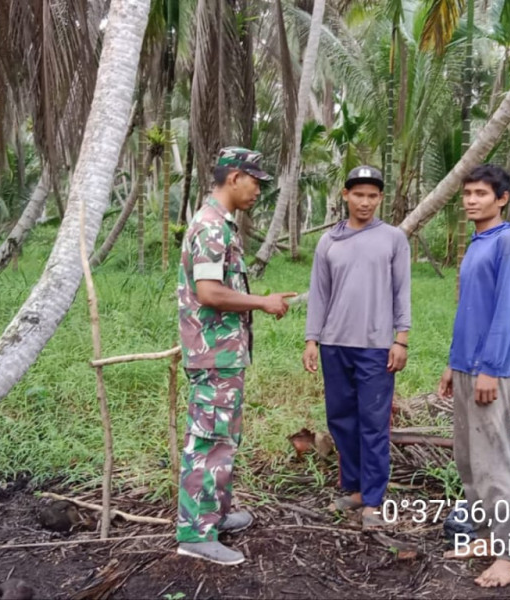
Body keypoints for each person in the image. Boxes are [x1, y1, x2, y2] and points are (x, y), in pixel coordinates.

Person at [176, 147, 296, 565]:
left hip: (223, 354)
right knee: (208, 441)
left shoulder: (222, 226)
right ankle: (195, 533)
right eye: (255, 182)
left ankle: (216, 514)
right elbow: (209, 293)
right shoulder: (210, 227)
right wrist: (261, 302)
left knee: (224, 438)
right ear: (234, 177)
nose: (258, 191)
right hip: (213, 355)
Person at [302, 165, 411, 530]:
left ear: (380, 198)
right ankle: (355, 488)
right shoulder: (329, 241)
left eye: (372, 196)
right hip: (334, 344)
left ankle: (374, 498)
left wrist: (401, 339)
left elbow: (402, 291)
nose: (365, 202)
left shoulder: (393, 238)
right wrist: (311, 339)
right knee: (341, 419)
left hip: (376, 346)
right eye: (358, 194)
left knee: (373, 422)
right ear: (345, 195)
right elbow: (319, 294)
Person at [437, 164, 510, 588]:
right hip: (466, 366)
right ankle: (487, 537)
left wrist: (490, 368)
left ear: (502, 199)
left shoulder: (507, 243)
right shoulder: (478, 242)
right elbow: (469, 311)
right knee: (469, 462)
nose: (471, 200)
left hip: (489, 370)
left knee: (496, 467)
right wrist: (453, 364)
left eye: (480, 194)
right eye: (467, 194)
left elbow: (507, 314)